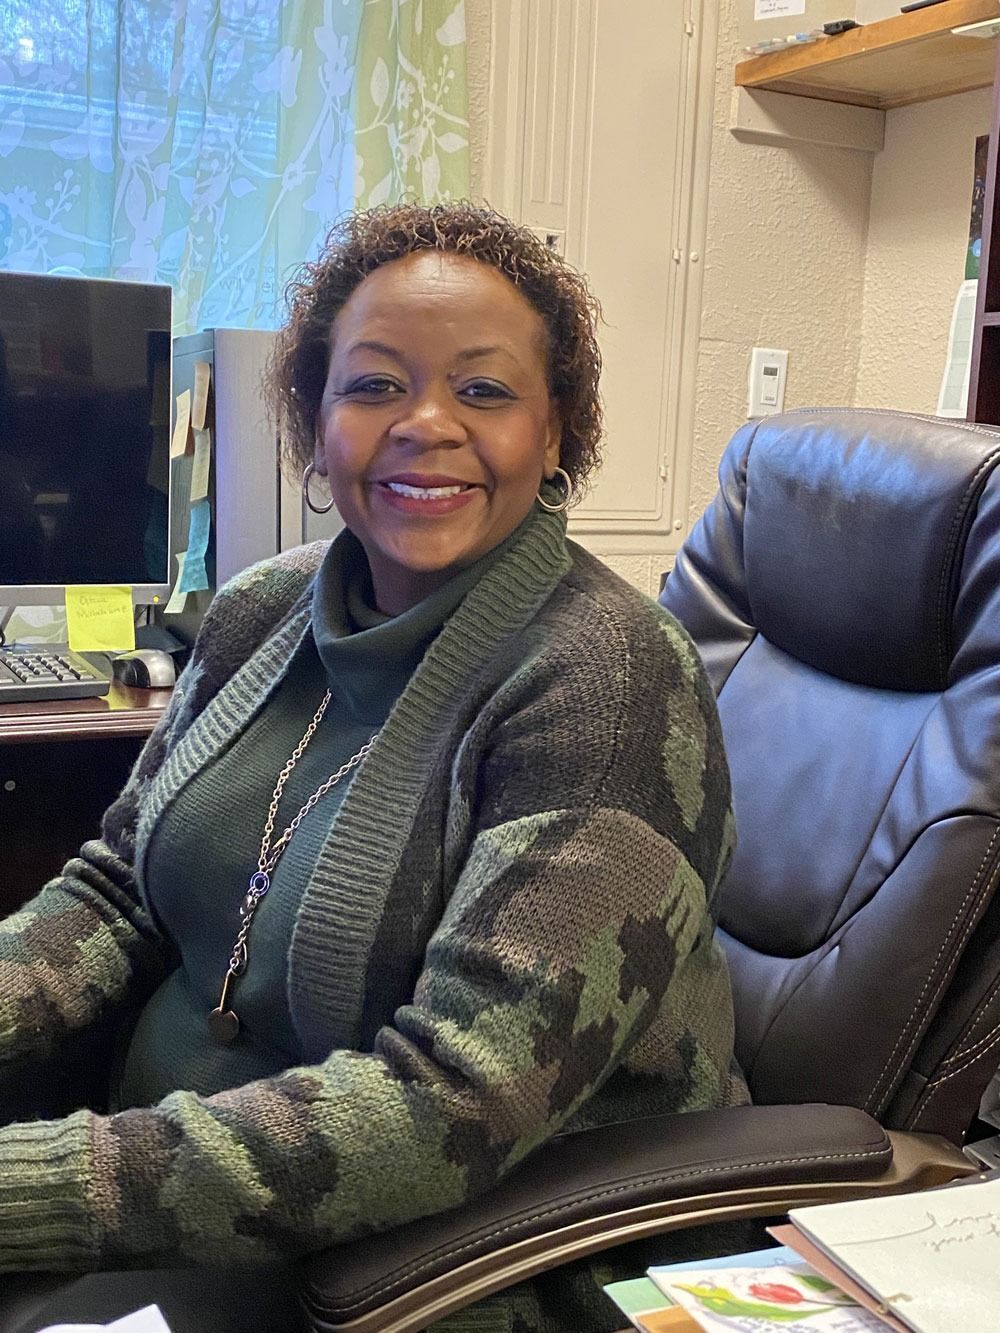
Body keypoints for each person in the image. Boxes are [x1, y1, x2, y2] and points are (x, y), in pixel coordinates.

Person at [0, 203, 747, 1332]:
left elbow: (453, 1102)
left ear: (556, 434)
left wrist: (35, 1189)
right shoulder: (260, 610)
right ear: (316, 418)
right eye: (374, 385)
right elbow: (116, 890)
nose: (426, 424)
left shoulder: (605, 682)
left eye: (485, 390)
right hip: (161, 1192)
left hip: (433, 1261)